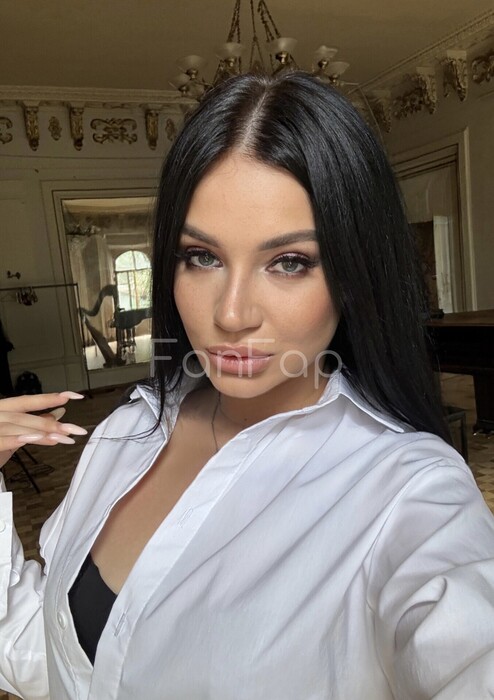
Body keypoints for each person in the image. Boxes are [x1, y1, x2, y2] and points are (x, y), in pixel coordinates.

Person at [1, 72, 494, 700]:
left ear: (354, 275)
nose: (231, 314)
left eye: (289, 262)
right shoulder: (130, 428)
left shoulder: (409, 493)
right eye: (202, 257)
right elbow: (57, 659)